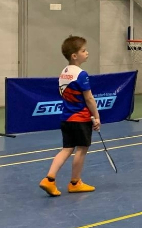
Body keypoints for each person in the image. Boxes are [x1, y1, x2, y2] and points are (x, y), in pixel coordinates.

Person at [39, 36, 100, 197]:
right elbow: (89, 98)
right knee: (82, 149)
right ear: (74, 56)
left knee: (66, 149)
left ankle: (49, 179)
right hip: (80, 119)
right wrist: (96, 116)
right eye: (83, 50)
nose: (87, 53)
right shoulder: (81, 74)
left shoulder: (64, 72)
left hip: (66, 118)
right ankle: (75, 183)